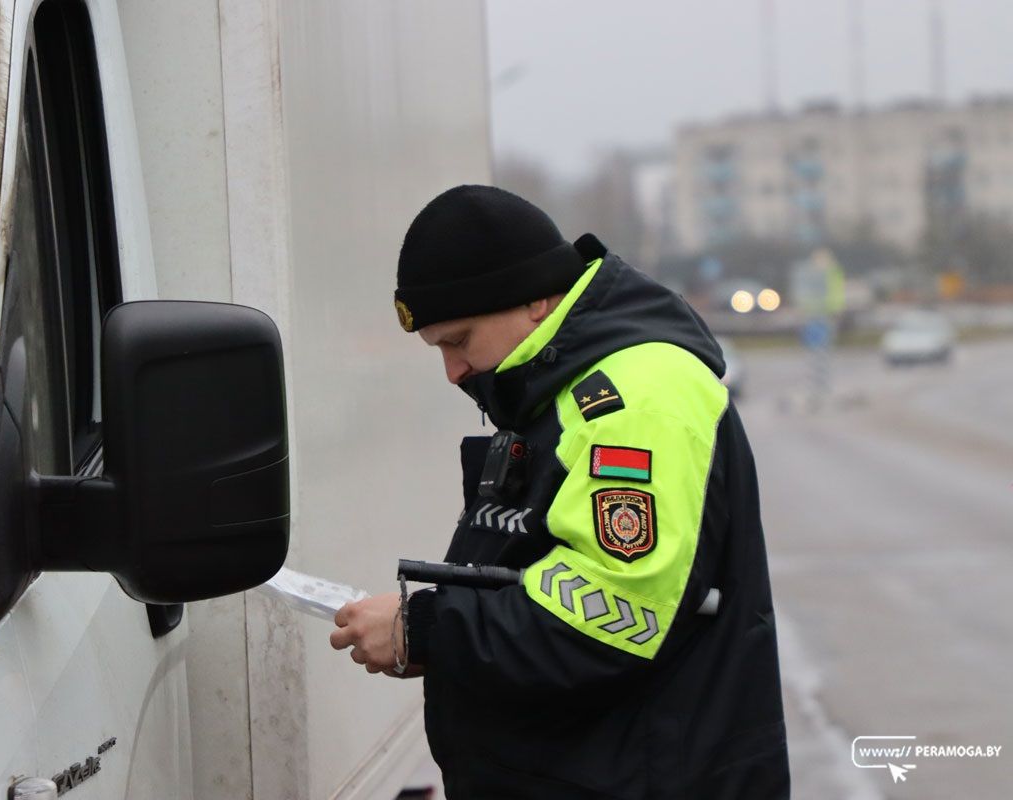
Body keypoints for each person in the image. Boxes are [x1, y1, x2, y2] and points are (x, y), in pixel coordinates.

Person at [330, 185, 789, 798]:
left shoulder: (636, 398)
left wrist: (427, 629)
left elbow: (615, 610)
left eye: (459, 341)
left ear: (535, 301)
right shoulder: (556, 382)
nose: (453, 371)